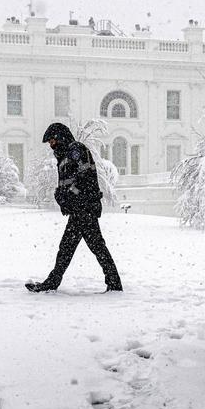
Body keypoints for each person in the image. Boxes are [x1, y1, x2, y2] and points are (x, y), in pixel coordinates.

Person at [26, 123, 123, 293]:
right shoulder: (63, 157)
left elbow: (86, 177)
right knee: (80, 247)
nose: (51, 144)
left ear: (61, 137)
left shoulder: (76, 150)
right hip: (79, 210)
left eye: (52, 140)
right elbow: (67, 183)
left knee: (80, 247)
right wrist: (61, 195)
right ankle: (113, 283)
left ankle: (54, 283)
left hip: (85, 208)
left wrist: (70, 195)